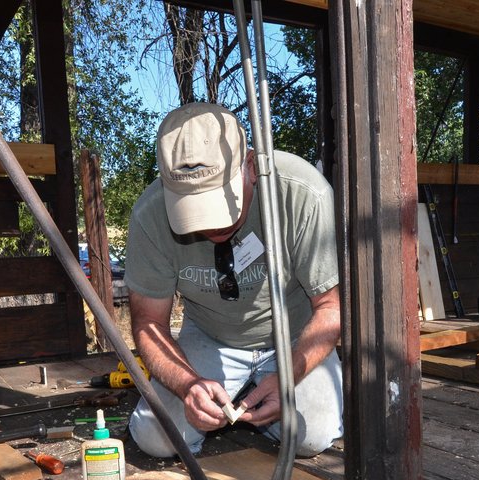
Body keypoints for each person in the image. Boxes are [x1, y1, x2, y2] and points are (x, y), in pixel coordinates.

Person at [124, 102, 343, 458]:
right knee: (157, 439)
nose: (211, 226)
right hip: (211, 336)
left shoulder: (304, 193)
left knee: (310, 437)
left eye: (220, 203)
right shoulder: (149, 215)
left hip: (295, 337)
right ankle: (228, 398)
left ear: (252, 166)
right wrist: (187, 384)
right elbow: (148, 322)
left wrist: (289, 376)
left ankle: (265, 398)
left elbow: (331, 308)